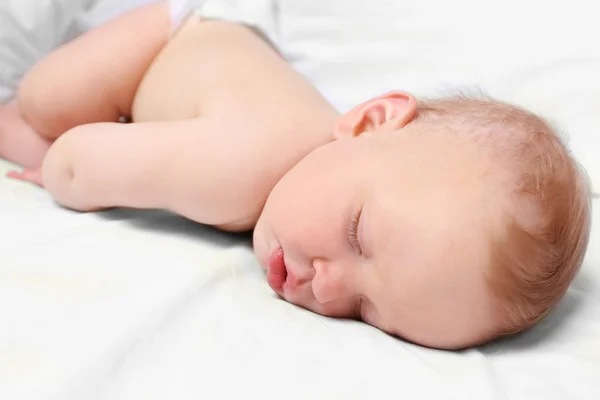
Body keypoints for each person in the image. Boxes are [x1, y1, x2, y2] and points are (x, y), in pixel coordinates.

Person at [0, 1, 591, 350]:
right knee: (48, 101)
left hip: (231, 60)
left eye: (368, 311)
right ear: (366, 123)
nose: (331, 289)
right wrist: (56, 170)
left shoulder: (320, 182)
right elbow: (77, 162)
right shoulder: (237, 168)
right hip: (177, 33)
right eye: (358, 233)